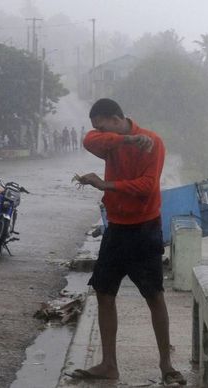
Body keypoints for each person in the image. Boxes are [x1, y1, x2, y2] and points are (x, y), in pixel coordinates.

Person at [71, 98, 186, 385]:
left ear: (115, 118)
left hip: (145, 228)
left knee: (154, 296)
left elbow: (147, 187)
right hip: (116, 229)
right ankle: (109, 364)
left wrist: (105, 184)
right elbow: (89, 141)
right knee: (104, 292)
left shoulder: (153, 142)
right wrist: (126, 141)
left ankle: (166, 365)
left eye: (101, 125)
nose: (98, 132)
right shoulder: (114, 142)